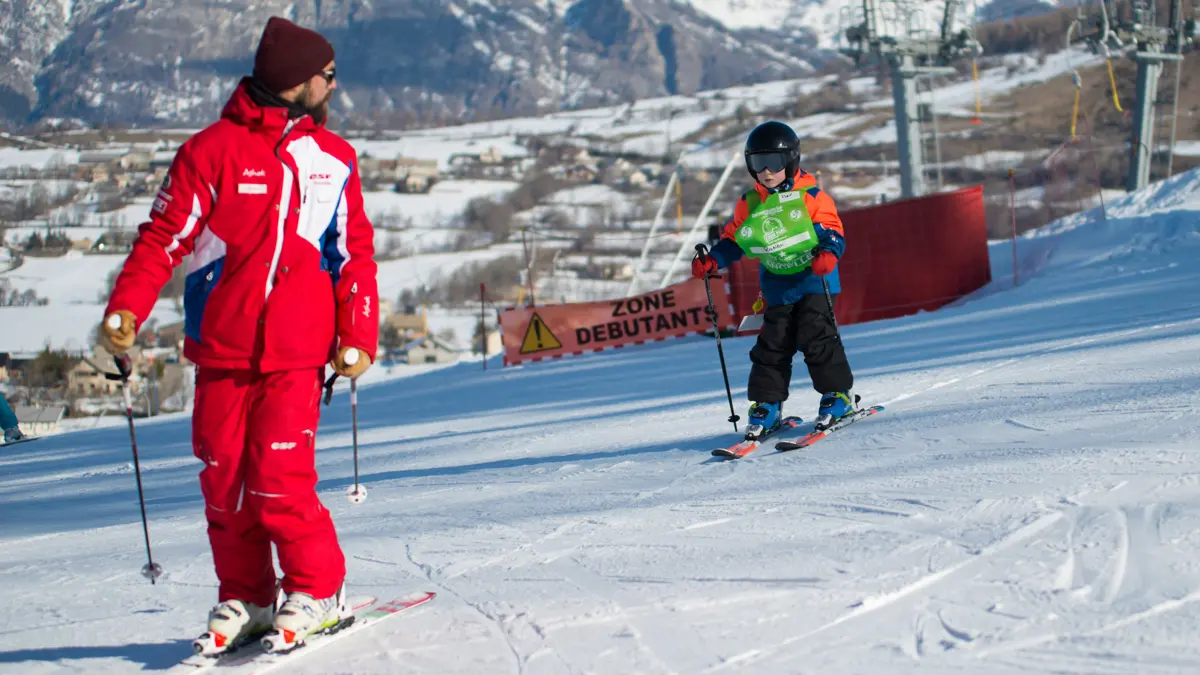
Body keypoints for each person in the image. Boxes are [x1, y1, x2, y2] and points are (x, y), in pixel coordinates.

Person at [99, 16, 378, 654]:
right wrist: (126, 311)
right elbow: (162, 240)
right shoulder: (211, 153)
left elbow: (352, 254)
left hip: (298, 353)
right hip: (222, 352)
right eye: (328, 75)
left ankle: (317, 589)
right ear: (297, 82)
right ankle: (249, 596)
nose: (334, 84)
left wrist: (356, 330)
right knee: (224, 480)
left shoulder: (332, 160)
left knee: (280, 476)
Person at [692, 120, 857, 434]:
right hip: (778, 284)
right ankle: (767, 405)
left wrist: (828, 254)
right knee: (772, 345)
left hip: (813, 281)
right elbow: (734, 240)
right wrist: (713, 260)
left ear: (791, 161)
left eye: (775, 162)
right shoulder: (751, 203)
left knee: (816, 337)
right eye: (758, 163)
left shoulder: (810, 197)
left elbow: (832, 232)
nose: (766, 171)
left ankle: (838, 395)